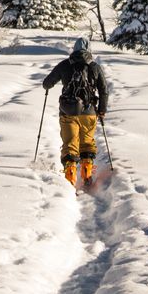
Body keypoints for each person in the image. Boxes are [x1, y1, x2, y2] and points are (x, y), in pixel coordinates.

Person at [42, 37, 110, 187]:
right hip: (89, 112)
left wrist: (48, 87)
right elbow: (104, 90)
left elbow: (47, 83)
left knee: (70, 145)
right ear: (89, 50)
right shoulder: (94, 67)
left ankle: (70, 179)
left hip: (68, 111)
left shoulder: (65, 65)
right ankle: (86, 173)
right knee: (86, 143)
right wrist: (102, 110)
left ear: (74, 49)